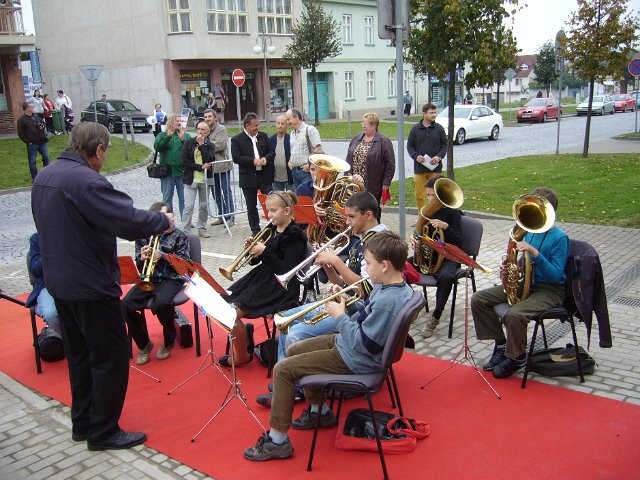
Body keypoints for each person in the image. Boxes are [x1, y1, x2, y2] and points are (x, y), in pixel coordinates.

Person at [31, 122, 174, 451]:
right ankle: (104, 431)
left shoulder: (45, 175)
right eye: (105, 152)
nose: (104, 158)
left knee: (79, 356)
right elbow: (125, 220)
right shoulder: (86, 181)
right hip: (91, 286)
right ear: (97, 150)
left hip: (61, 284)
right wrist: (162, 221)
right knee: (110, 356)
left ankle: (83, 423)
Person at [243, 230, 413, 462]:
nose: (366, 269)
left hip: (357, 357)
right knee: (295, 348)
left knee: (283, 369)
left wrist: (339, 317)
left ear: (384, 265)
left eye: (369, 264)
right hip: (353, 347)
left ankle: (277, 440)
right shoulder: (391, 286)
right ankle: (319, 412)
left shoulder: (386, 300)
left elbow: (366, 344)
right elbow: (365, 316)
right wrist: (345, 304)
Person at [255, 191, 385, 407]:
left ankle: (294, 388)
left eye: (352, 217)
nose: (347, 222)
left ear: (369, 215)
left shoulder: (378, 242)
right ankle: (286, 383)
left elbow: (365, 288)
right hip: (346, 301)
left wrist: (336, 261)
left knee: (295, 334)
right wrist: (328, 267)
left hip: (357, 310)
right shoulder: (361, 239)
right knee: (283, 318)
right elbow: (345, 283)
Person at [471, 187, 569, 379]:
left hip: (550, 291)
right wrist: (509, 269)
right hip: (528, 285)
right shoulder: (530, 232)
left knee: (515, 314)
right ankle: (501, 345)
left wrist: (535, 253)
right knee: (478, 299)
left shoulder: (560, 238)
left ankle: (517, 357)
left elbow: (557, 275)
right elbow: (523, 264)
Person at [221, 191, 307, 367]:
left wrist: (265, 251)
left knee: (232, 314)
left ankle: (242, 356)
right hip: (261, 278)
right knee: (225, 303)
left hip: (280, 286)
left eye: (274, 211)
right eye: (268, 211)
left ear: (287, 211)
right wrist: (252, 251)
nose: (269, 215)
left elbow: (286, 269)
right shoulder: (270, 229)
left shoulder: (296, 235)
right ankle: (244, 333)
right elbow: (256, 262)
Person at [122, 202, 190, 365]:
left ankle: (169, 340)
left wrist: (164, 256)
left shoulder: (180, 236)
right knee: (125, 305)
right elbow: (139, 266)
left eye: (169, 215)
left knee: (162, 303)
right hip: (149, 278)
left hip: (171, 278)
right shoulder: (144, 236)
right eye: (162, 217)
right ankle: (144, 343)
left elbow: (185, 265)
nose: (168, 219)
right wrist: (142, 258)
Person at [409, 174, 463, 338]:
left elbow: (460, 243)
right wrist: (414, 239)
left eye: (434, 195)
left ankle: (436, 316)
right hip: (427, 258)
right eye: (429, 195)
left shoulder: (454, 214)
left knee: (446, 278)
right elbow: (419, 234)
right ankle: (412, 304)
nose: (431, 199)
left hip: (447, 258)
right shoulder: (426, 213)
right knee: (398, 267)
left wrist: (446, 227)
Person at [345, 112, 395, 222]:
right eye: (362, 123)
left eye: (365, 124)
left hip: (373, 184)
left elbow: (390, 164)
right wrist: (347, 176)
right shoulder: (357, 138)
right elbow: (349, 158)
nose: (363, 126)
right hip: (355, 183)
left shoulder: (384, 141)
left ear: (373, 125)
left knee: (371, 210)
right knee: (356, 209)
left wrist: (386, 183)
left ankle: (375, 232)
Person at [231, 112, 275, 235]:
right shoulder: (237, 140)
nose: (257, 128)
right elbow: (236, 158)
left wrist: (266, 158)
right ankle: (255, 231)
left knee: (271, 202)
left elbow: (271, 151)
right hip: (248, 178)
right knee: (251, 206)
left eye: (258, 125)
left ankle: (273, 226)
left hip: (264, 176)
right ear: (247, 126)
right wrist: (252, 161)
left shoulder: (263, 136)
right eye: (255, 125)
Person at [407, 103, 447, 211]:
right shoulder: (415, 129)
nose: (434, 115)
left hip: (435, 168)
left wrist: (439, 157)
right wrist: (416, 156)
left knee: (435, 194)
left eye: (435, 112)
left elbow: (444, 145)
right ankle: (422, 216)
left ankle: (435, 214)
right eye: (431, 113)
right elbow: (410, 146)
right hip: (420, 169)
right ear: (424, 114)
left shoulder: (439, 129)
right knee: (420, 195)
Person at [182, 120, 215, 238]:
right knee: (189, 206)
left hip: (205, 179)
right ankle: (185, 231)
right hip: (191, 179)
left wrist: (201, 145)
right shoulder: (189, 143)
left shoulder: (210, 145)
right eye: (198, 129)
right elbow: (185, 161)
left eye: (203, 130)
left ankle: (201, 227)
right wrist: (200, 167)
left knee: (204, 205)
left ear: (208, 132)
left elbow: (210, 158)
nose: (200, 132)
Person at [26, 232, 61, 337]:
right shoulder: (37, 238)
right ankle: (73, 342)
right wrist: (51, 253)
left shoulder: (72, 232)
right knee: (51, 315)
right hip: (47, 286)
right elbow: (35, 270)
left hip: (74, 283)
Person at [203, 108, 235, 226]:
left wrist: (205, 144)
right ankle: (222, 215)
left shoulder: (221, 129)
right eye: (205, 117)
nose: (207, 119)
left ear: (215, 117)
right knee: (215, 193)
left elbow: (220, 145)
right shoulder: (205, 130)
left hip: (221, 165)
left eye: (209, 116)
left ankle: (231, 216)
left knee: (226, 191)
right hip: (210, 168)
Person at [154, 113, 188, 220]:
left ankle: (185, 220)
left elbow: (190, 150)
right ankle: (169, 220)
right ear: (170, 123)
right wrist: (167, 137)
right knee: (167, 198)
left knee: (183, 198)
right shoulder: (162, 135)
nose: (179, 122)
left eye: (180, 121)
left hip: (181, 171)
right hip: (167, 172)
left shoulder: (185, 135)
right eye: (176, 120)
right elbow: (157, 147)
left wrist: (183, 140)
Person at [285, 108, 322, 189]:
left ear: (296, 117)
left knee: (307, 197)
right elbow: (293, 149)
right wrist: (290, 162)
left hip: (307, 172)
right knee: (299, 198)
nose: (287, 122)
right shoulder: (292, 133)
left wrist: (310, 166)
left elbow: (319, 150)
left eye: (289, 119)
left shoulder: (310, 129)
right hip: (295, 172)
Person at [17, 101, 50, 181]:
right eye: (31, 107)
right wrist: (28, 142)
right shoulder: (21, 120)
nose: (33, 108)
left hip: (41, 141)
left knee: (46, 157)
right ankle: (34, 177)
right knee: (32, 161)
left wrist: (42, 126)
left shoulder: (36, 116)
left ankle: (47, 175)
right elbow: (20, 133)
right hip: (32, 144)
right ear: (27, 109)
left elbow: (42, 123)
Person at [270, 114, 294, 192]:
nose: (280, 126)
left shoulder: (291, 140)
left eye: (282, 124)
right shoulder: (270, 140)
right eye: (278, 123)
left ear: (287, 125)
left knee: (291, 201)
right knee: (277, 202)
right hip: (275, 179)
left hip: (289, 178)